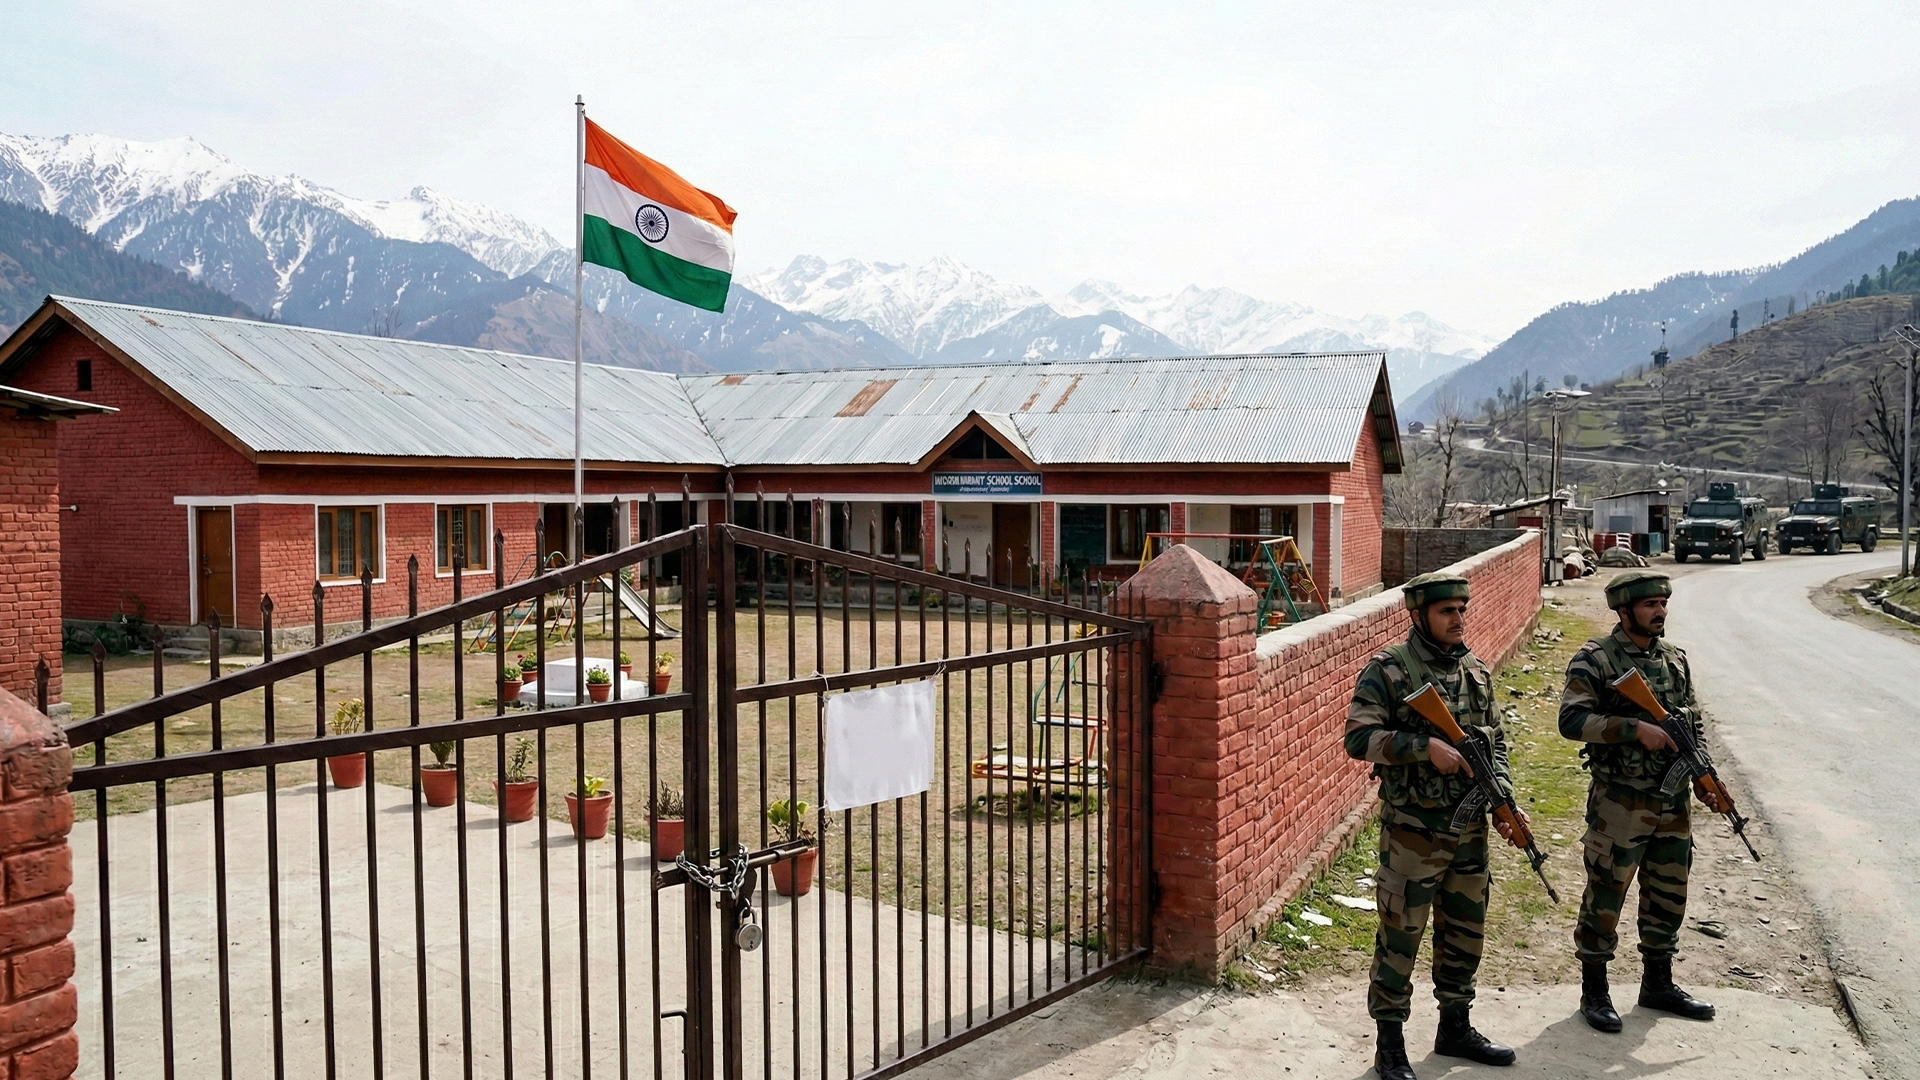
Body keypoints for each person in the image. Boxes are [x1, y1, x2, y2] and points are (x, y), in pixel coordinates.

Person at [1346, 572, 1521, 1080]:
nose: (1458, 619)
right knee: (1401, 936)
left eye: (1462, 610)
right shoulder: (1390, 671)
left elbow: (1496, 743)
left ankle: (1455, 1027)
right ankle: (1390, 1044)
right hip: (1413, 834)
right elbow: (1359, 738)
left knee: (1465, 932)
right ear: (1419, 615)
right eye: (1447, 611)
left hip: (1469, 833)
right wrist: (1426, 748)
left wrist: (1503, 797)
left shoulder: (1477, 672)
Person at [1559, 570, 1716, 1031]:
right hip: (1620, 804)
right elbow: (1571, 720)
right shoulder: (1597, 660)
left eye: (1663, 603)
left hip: (1673, 802)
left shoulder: (1675, 660)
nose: (1660, 611)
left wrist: (1703, 773)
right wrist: (1634, 729)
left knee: (1668, 892)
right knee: (1607, 892)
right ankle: (1595, 990)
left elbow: (1693, 722)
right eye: (1649, 605)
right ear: (1625, 611)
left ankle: (1658, 984)